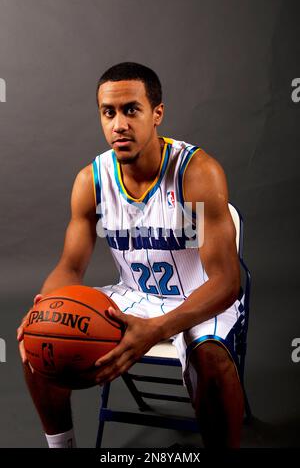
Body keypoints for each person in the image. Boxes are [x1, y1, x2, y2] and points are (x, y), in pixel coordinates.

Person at [17, 62, 246, 448]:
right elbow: (70, 266)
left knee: (212, 360)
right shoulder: (92, 180)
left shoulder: (195, 174)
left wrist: (158, 329)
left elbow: (226, 281)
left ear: (157, 114)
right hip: (133, 295)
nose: (119, 124)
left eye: (131, 110)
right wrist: (45, 308)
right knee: (39, 342)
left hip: (198, 296)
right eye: (109, 113)